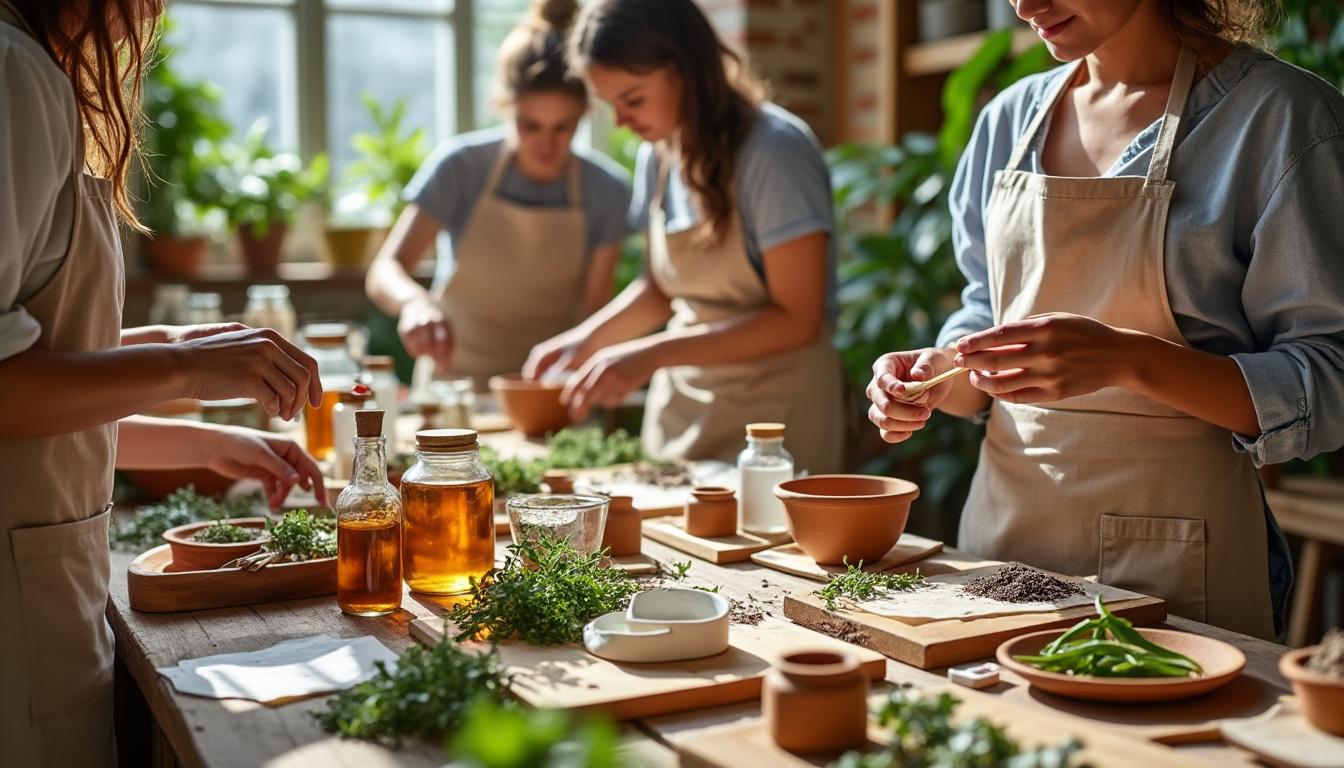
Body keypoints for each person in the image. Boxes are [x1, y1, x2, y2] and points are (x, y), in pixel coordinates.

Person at [866, 0, 1344, 640]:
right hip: (999, 548)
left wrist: (1129, 361)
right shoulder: (1009, 120)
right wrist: (937, 376)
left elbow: (1328, 378)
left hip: (1177, 576)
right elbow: (986, 311)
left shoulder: (1281, 119)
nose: (1025, 5)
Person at [0, 1, 328, 763]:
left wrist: (197, 426)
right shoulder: (14, 71)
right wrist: (184, 368)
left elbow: (47, 364)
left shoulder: (28, 68)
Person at [526, 0, 845, 474]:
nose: (621, 122)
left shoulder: (775, 151)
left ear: (686, 71)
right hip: (683, 409)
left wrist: (651, 354)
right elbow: (659, 289)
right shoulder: (658, 156)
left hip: (776, 421)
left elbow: (798, 320)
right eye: (610, 105)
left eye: (633, 100)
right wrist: (583, 343)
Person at [366, 0, 632, 390]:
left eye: (562, 127)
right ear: (505, 106)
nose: (546, 144)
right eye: (530, 126)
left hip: (545, 389)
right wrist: (414, 303)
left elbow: (592, 314)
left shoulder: (607, 190)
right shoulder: (461, 166)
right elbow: (385, 270)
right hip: (453, 386)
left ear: (584, 114)